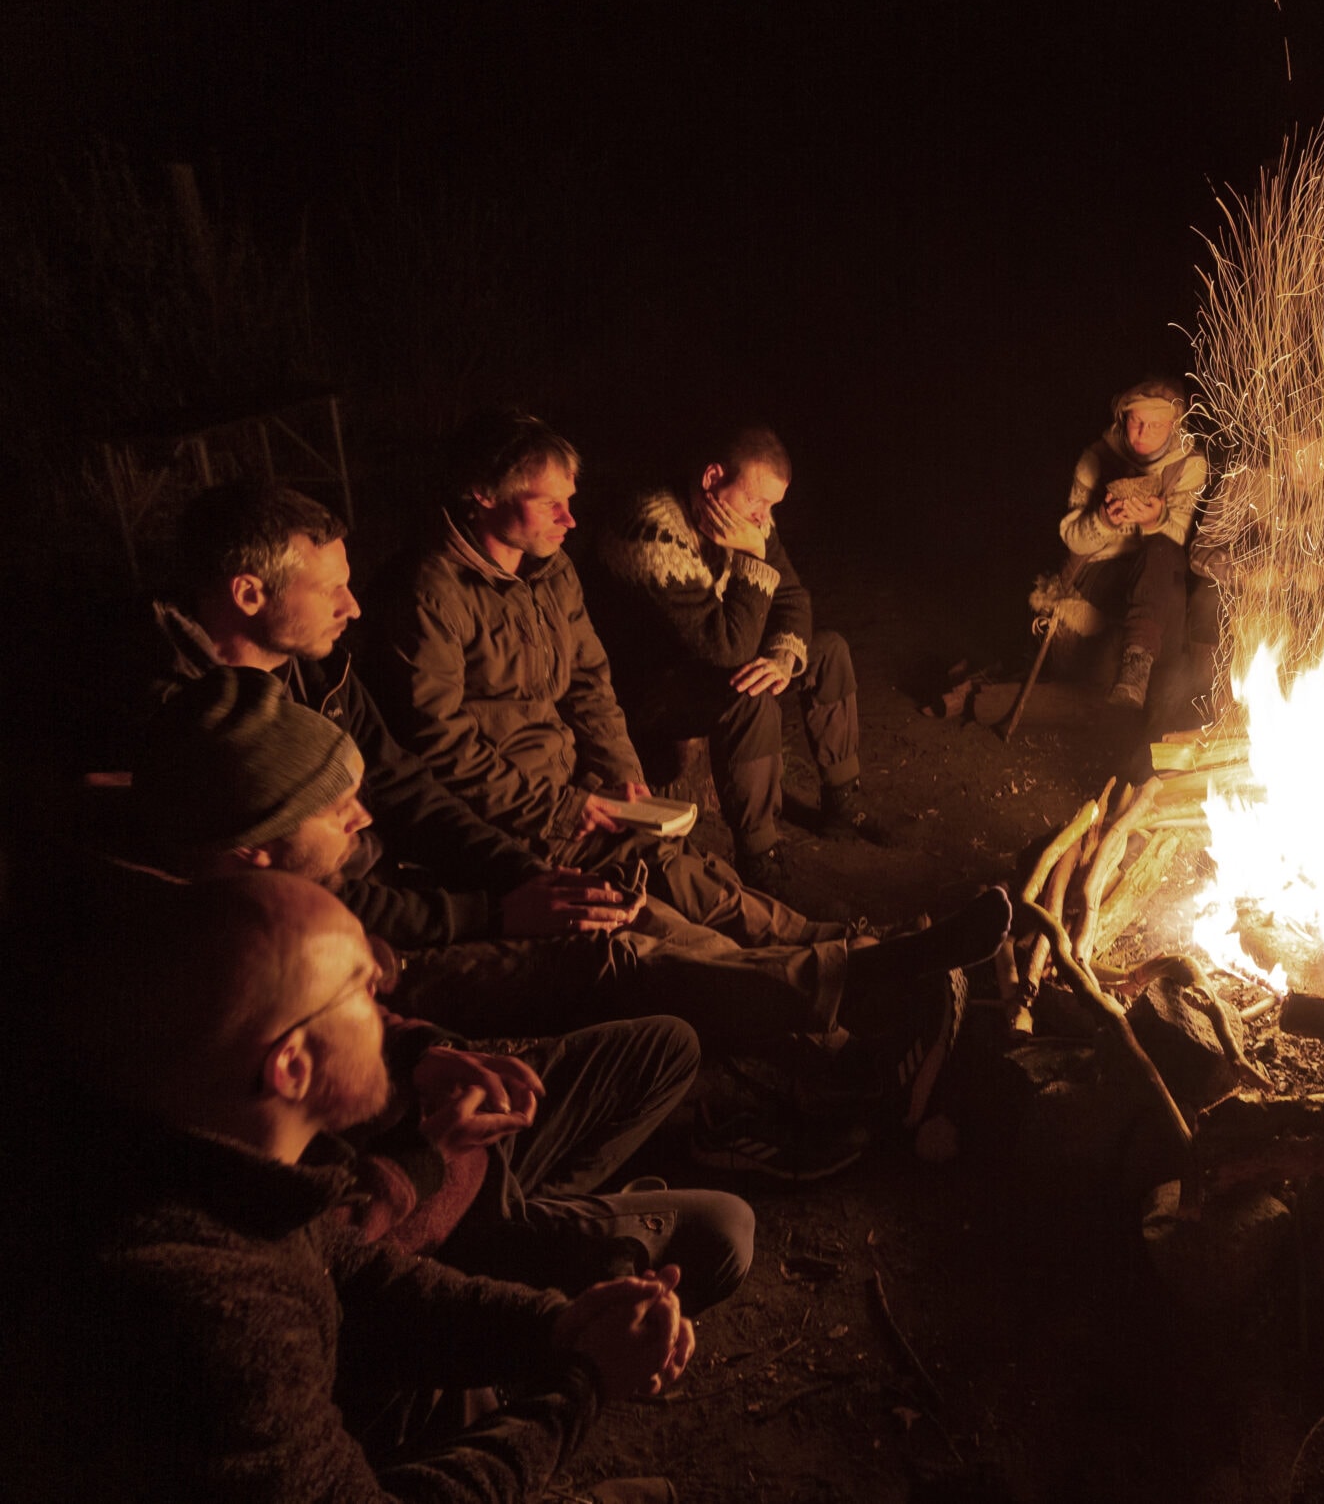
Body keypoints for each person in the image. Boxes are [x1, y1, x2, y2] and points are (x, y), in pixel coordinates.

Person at [131, 669, 1007, 1180]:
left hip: (423, 938)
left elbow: (414, 799)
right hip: (411, 957)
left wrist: (527, 877)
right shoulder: (228, 955)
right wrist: (492, 909)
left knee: (642, 908)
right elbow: (374, 934)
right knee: (613, 951)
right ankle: (867, 986)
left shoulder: (313, 713)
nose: (360, 818)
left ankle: (858, 1015)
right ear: (254, 855)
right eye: (336, 812)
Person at [4, 869, 694, 1499]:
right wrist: (584, 1385)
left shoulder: (215, 1167)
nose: (387, 1003)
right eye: (363, 989)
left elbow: (363, 1277)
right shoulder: (206, 1310)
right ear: (292, 1067)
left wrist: (557, 1327)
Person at [364, 410, 847, 959]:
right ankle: (808, 970)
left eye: (569, 501)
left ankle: (826, 944)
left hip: (571, 789)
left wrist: (622, 776)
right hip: (506, 817)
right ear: (483, 494)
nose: (570, 520)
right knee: (667, 932)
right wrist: (564, 809)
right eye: (551, 504)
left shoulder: (549, 571)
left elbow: (589, 685)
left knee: (676, 871)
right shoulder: (428, 596)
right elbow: (440, 748)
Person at [131, 478, 637, 958]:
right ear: (248, 594)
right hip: (337, 948)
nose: (352, 607)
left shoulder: (315, 667)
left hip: (404, 897)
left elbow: (401, 786)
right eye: (330, 590)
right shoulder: (188, 728)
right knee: (624, 973)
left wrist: (523, 875)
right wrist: (492, 913)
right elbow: (293, 892)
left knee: (625, 929)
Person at [593, 423, 865, 893]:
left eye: (772, 507)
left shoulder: (744, 519)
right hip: (649, 687)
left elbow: (793, 597)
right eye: (757, 502)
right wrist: (756, 562)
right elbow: (727, 648)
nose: (763, 519)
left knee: (827, 650)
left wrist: (783, 656)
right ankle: (758, 856)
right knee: (749, 693)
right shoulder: (652, 534)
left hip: (712, 655)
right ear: (712, 477)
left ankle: (842, 804)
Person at [1057, 378, 1212, 709]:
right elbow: (1073, 539)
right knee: (1164, 592)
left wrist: (1154, 521)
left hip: (1158, 569)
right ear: (1122, 419)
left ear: (1174, 426)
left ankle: (1138, 674)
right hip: (1103, 573)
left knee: (1162, 559)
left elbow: (1181, 541)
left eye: (1155, 425)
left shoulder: (1189, 465)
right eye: (1135, 422)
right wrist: (1104, 520)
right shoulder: (1096, 459)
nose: (1143, 433)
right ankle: (1151, 698)